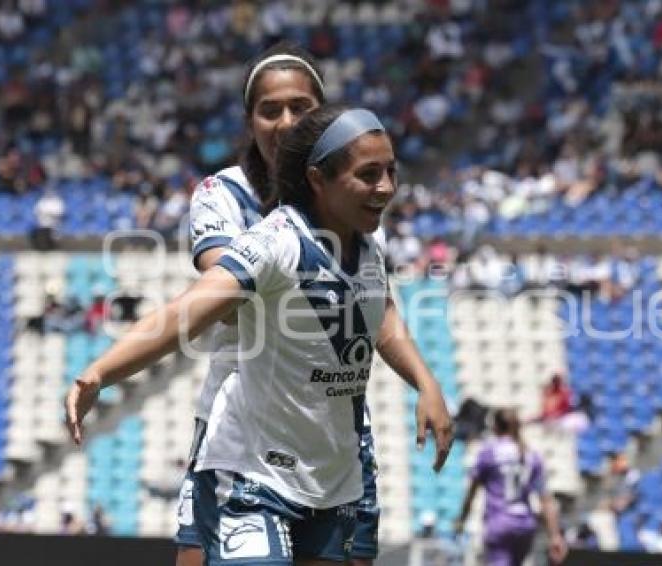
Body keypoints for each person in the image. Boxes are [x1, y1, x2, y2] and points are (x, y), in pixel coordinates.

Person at [65, 104, 453, 565]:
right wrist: (100, 372)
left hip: (335, 481)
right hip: (256, 477)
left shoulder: (368, 245)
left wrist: (426, 384)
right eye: (369, 175)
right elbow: (186, 313)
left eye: (391, 171)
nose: (386, 187)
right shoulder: (278, 241)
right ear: (317, 179)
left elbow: (379, 317)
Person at [178, 42, 450, 566]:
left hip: (331, 432)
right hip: (241, 430)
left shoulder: (352, 196)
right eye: (269, 109)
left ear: (322, 116)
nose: (285, 123)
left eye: (301, 108)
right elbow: (225, 290)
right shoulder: (222, 194)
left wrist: (426, 381)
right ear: (249, 119)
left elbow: (377, 309)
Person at [454, 408, 567, 566]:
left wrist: (462, 519)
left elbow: (472, 492)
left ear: (495, 427)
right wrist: (555, 535)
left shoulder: (488, 453)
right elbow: (546, 499)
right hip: (525, 526)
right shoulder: (532, 456)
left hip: (499, 523)